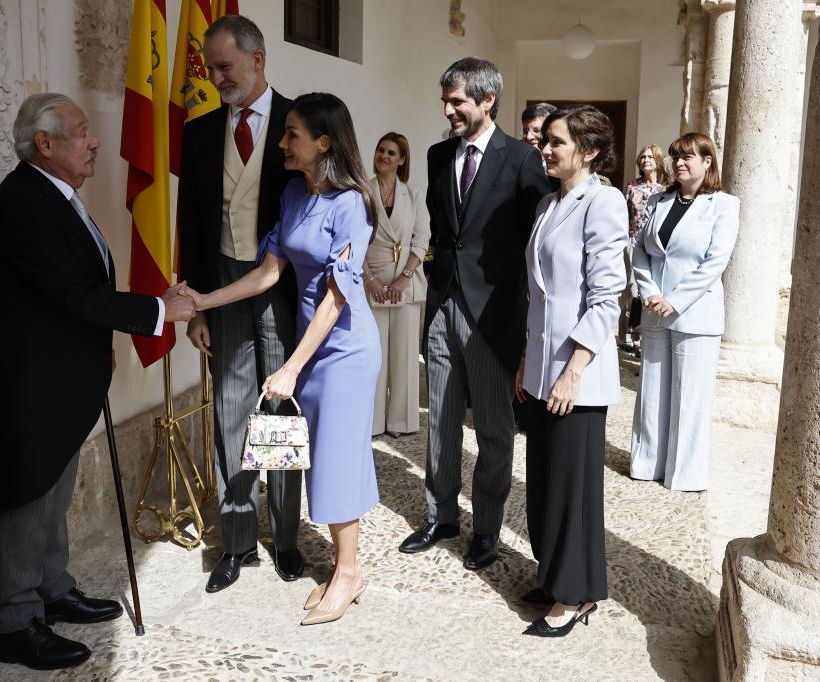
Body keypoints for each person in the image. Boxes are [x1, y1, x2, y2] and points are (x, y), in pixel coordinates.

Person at [0, 93, 196, 670]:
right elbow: (71, 295)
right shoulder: (23, 205)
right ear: (45, 144)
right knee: (28, 492)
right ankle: (16, 622)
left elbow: (68, 295)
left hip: (62, 376)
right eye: (82, 132)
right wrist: (157, 310)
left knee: (55, 488)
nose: (94, 142)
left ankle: (52, 587)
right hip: (30, 383)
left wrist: (100, 349)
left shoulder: (54, 197)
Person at [185, 92, 380, 626]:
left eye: (292, 133)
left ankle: (347, 573)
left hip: (343, 346)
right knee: (333, 454)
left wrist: (292, 365)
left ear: (324, 142)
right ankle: (349, 566)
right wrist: (203, 300)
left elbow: (339, 296)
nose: (282, 142)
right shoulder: (295, 192)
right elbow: (268, 272)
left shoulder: (354, 203)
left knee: (335, 461)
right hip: (307, 344)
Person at [398, 57, 551, 570]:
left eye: (458, 101)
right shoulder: (439, 155)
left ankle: (486, 528)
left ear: (487, 101)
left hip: (495, 315)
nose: (448, 110)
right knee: (440, 421)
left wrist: (531, 326)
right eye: (445, 100)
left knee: (492, 428)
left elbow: (536, 246)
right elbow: (445, 232)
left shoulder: (523, 161)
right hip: (443, 305)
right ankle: (441, 516)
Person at [178, 15, 303, 593]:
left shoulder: (299, 124)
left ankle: (285, 537)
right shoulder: (200, 132)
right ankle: (236, 541)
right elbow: (191, 225)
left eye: (225, 66)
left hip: (279, 287)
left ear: (257, 60)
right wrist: (196, 305)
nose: (217, 77)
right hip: (221, 284)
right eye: (211, 68)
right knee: (231, 409)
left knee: (276, 408)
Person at [515, 104, 627, 637]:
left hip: (575, 377)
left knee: (572, 491)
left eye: (557, 142)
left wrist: (572, 370)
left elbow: (607, 299)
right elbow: (539, 296)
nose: (546, 148)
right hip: (540, 371)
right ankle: (553, 575)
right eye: (546, 140)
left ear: (588, 150)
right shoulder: (547, 203)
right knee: (543, 487)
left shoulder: (603, 203)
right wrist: (526, 362)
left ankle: (574, 596)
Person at [629, 132, 740, 491]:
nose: (678, 162)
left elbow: (715, 262)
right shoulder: (659, 201)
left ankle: (684, 474)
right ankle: (647, 465)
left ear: (707, 161)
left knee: (689, 395)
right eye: (675, 156)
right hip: (654, 308)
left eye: (687, 156)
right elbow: (641, 250)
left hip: (695, 312)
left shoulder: (724, 205)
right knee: (652, 392)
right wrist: (650, 292)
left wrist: (674, 300)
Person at [362, 132, 430, 438]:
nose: (384, 157)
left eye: (391, 153)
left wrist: (403, 279)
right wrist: (370, 280)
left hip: (406, 282)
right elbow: (354, 239)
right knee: (373, 355)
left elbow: (422, 238)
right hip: (371, 281)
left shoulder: (414, 193)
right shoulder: (361, 190)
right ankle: (373, 421)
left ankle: (402, 421)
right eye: (380, 151)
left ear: (402, 159)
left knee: (404, 355)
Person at [619, 144, 670, 353]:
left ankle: (642, 336)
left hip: (654, 245)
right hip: (632, 241)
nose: (646, 160)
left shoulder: (665, 190)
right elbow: (624, 214)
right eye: (642, 157)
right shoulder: (633, 186)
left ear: (657, 160)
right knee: (629, 289)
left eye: (650, 157)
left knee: (647, 290)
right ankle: (625, 336)